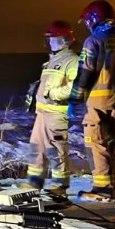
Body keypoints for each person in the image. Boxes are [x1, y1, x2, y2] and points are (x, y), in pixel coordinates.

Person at [68, 0, 115, 200]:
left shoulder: (93, 41)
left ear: (93, 20)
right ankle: (111, 187)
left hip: (98, 102)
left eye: (86, 21)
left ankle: (101, 190)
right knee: (110, 144)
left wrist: (74, 98)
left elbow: (86, 73)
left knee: (95, 143)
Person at [24, 21, 80, 194]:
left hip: (56, 113)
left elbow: (74, 87)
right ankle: (34, 182)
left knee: (55, 149)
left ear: (64, 40)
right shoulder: (52, 61)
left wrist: (52, 94)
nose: (49, 43)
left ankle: (59, 185)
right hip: (41, 113)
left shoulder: (71, 61)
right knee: (36, 147)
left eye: (52, 39)